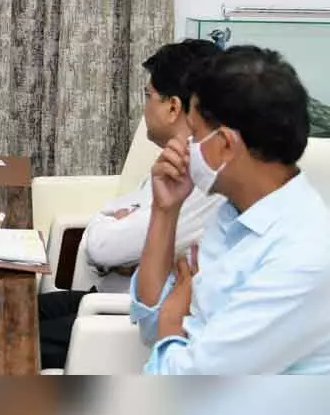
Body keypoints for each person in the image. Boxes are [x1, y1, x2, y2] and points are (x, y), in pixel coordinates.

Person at [132, 46, 330, 374]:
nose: (183, 146)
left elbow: (188, 385)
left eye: (193, 134)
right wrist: (165, 210)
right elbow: (152, 323)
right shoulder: (233, 214)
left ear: (224, 144)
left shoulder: (302, 259)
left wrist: (170, 324)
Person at [39, 40, 225, 370]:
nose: (144, 107)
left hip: (119, 320)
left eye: (147, 95)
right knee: (8, 309)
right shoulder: (172, 163)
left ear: (172, 107)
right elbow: (110, 227)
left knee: (11, 336)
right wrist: (127, 229)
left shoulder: (201, 180)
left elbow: (102, 246)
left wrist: (130, 230)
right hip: (106, 300)